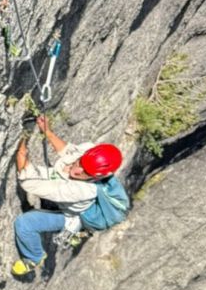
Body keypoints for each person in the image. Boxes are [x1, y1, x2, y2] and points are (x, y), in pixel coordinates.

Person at [12, 115, 123, 277]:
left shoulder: (83, 190)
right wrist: (47, 132)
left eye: (85, 173)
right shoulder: (90, 151)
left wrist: (22, 145)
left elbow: (28, 181)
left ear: (96, 177)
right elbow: (68, 151)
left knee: (25, 224)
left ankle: (34, 257)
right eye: (80, 163)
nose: (76, 171)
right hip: (70, 195)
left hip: (73, 215)